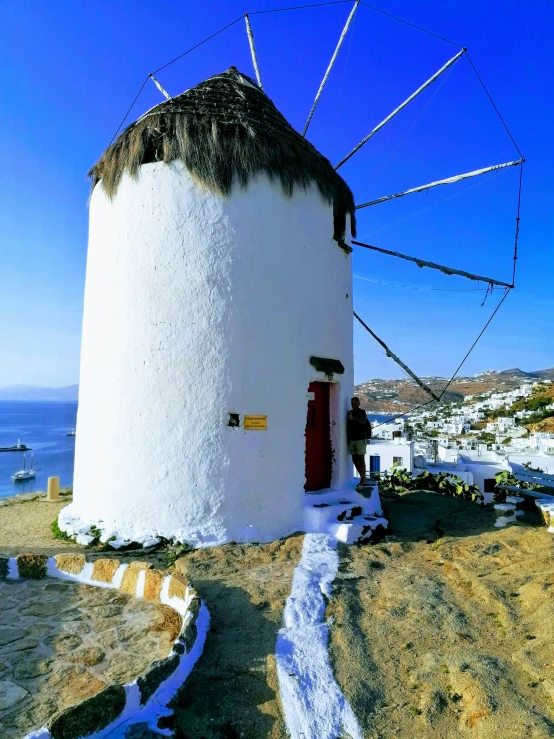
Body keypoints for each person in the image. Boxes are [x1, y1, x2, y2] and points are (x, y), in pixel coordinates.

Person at [347, 397, 372, 492]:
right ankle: (363, 478)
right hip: (352, 440)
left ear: (359, 404)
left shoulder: (362, 412)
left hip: (361, 439)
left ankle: (362, 480)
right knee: (354, 459)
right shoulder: (349, 413)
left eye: (356, 404)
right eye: (353, 403)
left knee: (361, 459)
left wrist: (353, 419)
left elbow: (363, 421)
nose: (354, 405)